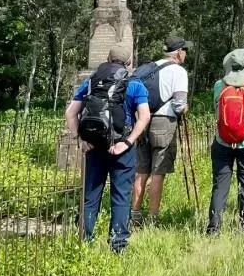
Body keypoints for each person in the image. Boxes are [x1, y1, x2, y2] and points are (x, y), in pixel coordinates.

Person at [64, 47, 151, 253]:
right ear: (128, 63)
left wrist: (81, 140)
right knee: (121, 197)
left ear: (107, 59)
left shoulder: (92, 82)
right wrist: (128, 142)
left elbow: (70, 113)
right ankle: (117, 245)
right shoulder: (135, 84)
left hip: (95, 146)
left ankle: (84, 242)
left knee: (90, 196)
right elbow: (145, 116)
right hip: (121, 148)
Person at [132, 36, 191, 227]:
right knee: (158, 172)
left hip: (142, 121)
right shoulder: (179, 72)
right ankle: (152, 218)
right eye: (185, 51)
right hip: (163, 123)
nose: (186, 54)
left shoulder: (147, 68)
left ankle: (134, 215)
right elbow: (179, 105)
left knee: (141, 170)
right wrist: (186, 108)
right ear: (179, 52)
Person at [206, 49, 244, 235]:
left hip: (222, 141)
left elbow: (216, 111)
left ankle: (214, 228)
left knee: (220, 184)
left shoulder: (218, 86)